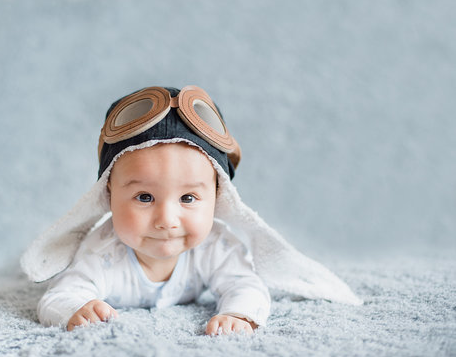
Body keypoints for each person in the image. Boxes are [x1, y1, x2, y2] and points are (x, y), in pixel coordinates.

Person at [21, 85, 362, 336]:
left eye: (187, 199)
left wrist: (239, 314)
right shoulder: (103, 251)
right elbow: (58, 296)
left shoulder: (216, 244)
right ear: (108, 195)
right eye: (144, 197)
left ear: (218, 197)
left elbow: (246, 285)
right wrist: (76, 309)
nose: (167, 221)